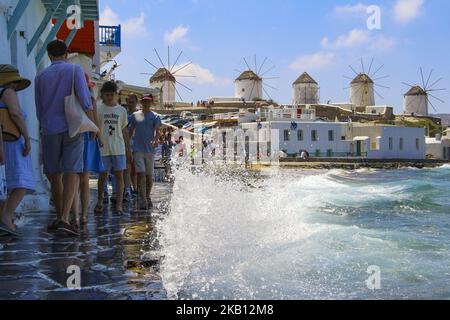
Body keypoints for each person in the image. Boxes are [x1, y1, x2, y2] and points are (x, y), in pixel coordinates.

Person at [35, 40, 96, 236]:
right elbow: (85, 100)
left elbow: (39, 108)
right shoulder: (74, 70)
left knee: (54, 175)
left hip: (49, 129)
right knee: (72, 172)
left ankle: (60, 215)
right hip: (72, 126)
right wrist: (94, 125)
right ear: (66, 53)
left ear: (49, 55)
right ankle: (64, 218)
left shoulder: (40, 76)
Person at [0, 65, 35, 236]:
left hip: (4, 141)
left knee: (8, 183)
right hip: (12, 140)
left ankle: (4, 217)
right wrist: (27, 138)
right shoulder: (8, 93)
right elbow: (15, 114)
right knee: (21, 183)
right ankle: (6, 218)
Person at [71, 73, 104, 227]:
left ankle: (75, 214)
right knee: (83, 179)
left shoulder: (71, 97)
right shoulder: (90, 99)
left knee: (73, 178)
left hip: (74, 135)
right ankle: (83, 214)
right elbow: (94, 119)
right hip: (88, 135)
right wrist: (99, 136)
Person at [95, 81, 131, 215]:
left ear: (116, 95)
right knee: (102, 176)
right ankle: (100, 200)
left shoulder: (121, 111)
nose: (109, 97)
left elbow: (124, 130)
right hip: (103, 148)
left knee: (119, 176)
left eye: (112, 94)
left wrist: (128, 149)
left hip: (118, 148)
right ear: (102, 95)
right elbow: (96, 127)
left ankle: (119, 204)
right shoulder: (98, 108)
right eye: (107, 95)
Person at [128, 94, 161, 210]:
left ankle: (147, 196)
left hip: (150, 150)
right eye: (144, 102)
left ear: (151, 103)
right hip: (137, 149)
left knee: (149, 176)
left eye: (148, 102)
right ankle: (142, 198)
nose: (146, 104)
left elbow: (158, 132)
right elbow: (131, 130)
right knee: (140, 174)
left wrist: (156, 140)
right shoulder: (135, 115)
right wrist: (128, 145)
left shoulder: (155, 116)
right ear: (141, 102)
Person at [124, 93, 138, 200]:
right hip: (126, 144)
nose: (130, 104)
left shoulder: (140, 115)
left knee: (136, 169)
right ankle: (128, 189)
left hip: (138, 145)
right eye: (129, 101)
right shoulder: (124, 114)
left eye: (132, 102)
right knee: (128, 168)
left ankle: (136, 188)